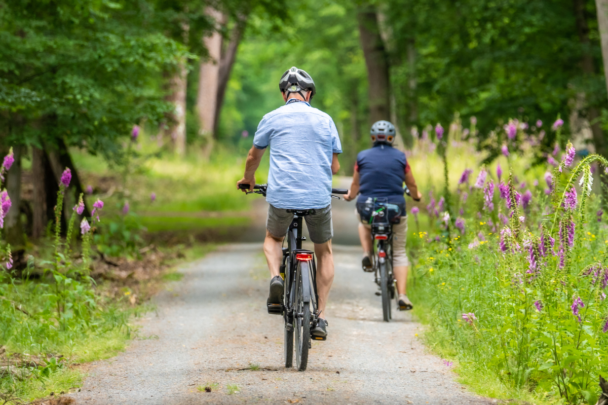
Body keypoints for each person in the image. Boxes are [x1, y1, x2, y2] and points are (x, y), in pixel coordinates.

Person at [237, 67, 342, 339]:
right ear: (309, 94)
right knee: (325, 251)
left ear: (285, 94)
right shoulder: (325, 119)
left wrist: (249, 179)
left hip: (282, 195)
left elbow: (253, 156)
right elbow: (335, 165)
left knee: (273, 238)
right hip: (318, 197)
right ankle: (320, 317)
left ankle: (276, 278)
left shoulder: (271, 117)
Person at [344, 120, 421, 311]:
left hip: (368, 208)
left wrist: (350, 196)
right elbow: (411, 184)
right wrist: (417, 196)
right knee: (400, 252)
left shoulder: (362, 157)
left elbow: (355, 185)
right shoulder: (401, 157)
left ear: (372, 137)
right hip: (395, 209)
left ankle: (367, 253)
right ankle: (402, 295)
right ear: (391, 138)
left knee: (362, 221)